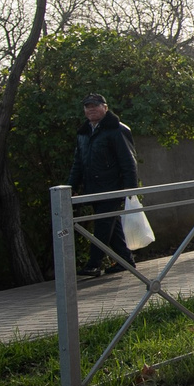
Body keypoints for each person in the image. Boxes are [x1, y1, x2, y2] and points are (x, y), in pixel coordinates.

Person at [71, 95, 141, 276]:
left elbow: (128, 160)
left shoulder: (117, 129)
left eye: (95, 106)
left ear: (105, 108)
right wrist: (71, 187)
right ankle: (126, 260)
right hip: (93, 188)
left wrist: (130, 188)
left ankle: (94, 264)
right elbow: (78, 163)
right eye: (88, 106)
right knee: (111, 225)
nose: (91, 109)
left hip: (112, 188)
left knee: (102, 225)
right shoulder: (84, 133)